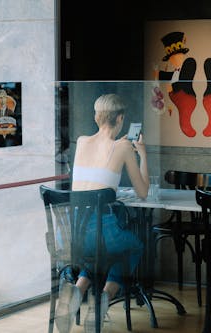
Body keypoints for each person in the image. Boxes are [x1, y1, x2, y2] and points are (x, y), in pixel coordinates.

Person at [55, 93, 149, 333]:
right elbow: (142, 192)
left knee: (97, 252)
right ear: (120, 118)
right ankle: (104, 299)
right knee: (133, 246)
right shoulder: (123, 145)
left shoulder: (82, 141)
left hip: (72, 234)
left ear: (96, 118)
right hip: (101, 231)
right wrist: (143, 154)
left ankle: (77, 290)